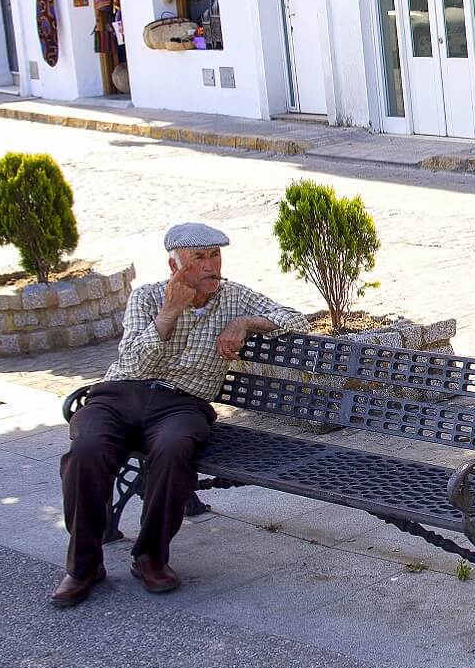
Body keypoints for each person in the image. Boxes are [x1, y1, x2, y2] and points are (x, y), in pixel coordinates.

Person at [51, 223, 306, 608]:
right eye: (198, 258)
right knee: (86, 449)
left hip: (182, 404)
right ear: (174, 265)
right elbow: (134, 361)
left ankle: (150, 556)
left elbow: (294, 319)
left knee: (174, 450)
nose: (210, 266)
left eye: (214, 256)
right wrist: (171, 310)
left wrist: (245, 323)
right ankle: (83, 566)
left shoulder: (234, 297)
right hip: (120, 395)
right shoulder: (148, 297)